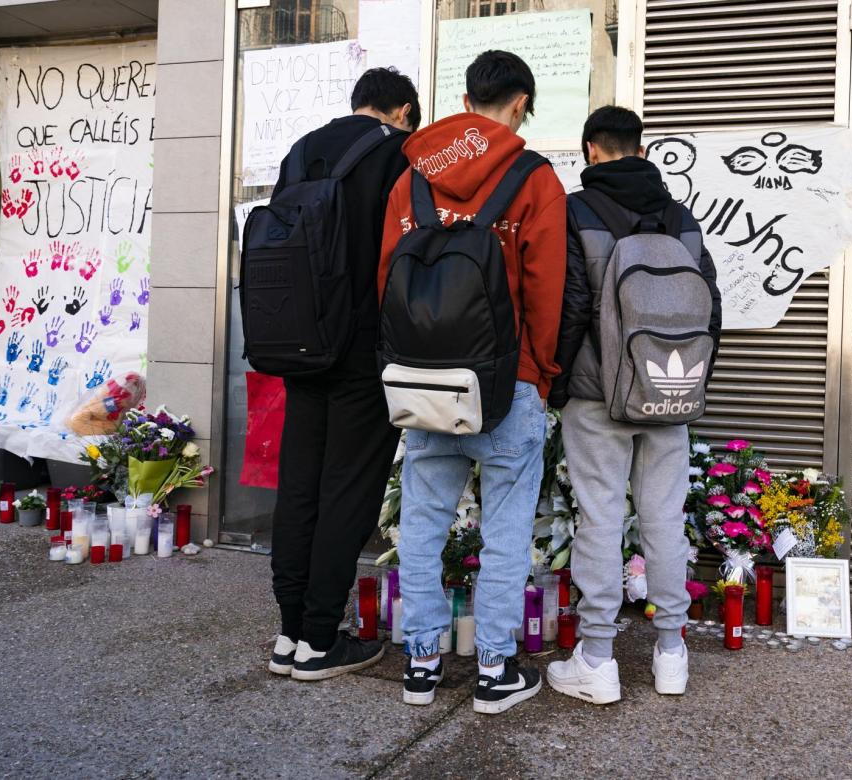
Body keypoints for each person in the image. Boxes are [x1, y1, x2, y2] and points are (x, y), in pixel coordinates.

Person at [377, 50, 566, 714]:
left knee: (424, 526)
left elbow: (387, 283)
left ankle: (421, 665)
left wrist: (402, 363)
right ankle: (493, 671)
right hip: (507, 382)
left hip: (425, 380)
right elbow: (546, 289)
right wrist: (539, 373)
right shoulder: (534, 177)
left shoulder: (412, 179)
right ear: (520, 102)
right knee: (507, 531)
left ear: (465, 99)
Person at [545, 106, 722, 703]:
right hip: (670, 395)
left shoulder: (577, 211)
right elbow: (710, 309)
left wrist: (558, 383)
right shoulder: (680, 216)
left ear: (591, 149)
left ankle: (597, 658)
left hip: (598, 396)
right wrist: (689, 383)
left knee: (598, 518)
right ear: (639, 147)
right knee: (665, 519)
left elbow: (570, 306)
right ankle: (672, 652)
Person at [267, 67, 420, 682]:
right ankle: (323, 639)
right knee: (347, 491)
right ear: (404, 110)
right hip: (362, 351)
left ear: (356, 103)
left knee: (299, 485)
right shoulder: (399, 155)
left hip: (299, 345)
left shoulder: (302, 150)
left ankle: (290, 633)